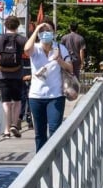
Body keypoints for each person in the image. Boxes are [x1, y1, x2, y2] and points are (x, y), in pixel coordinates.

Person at [24, 20, 74, 151]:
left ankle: (53, 159)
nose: (45, 33)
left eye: (48, 30)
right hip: (36, 96)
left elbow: (70, 68)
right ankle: (40, 163)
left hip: (55, 95)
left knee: (54, 130)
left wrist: (59, 60)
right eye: (42, 31)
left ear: (54, 32)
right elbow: (26, 50)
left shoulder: (60, 48)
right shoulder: (36, 48)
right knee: (39, 133)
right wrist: (36, 30)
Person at [0, 15, 29, 137]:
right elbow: (29, 52)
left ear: (5, 25)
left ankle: (6, 130)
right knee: (17, 101)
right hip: (18, 75)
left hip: (3, 75)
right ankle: (14, 124)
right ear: (17, 26)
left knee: (6, 102)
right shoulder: (22, 40)